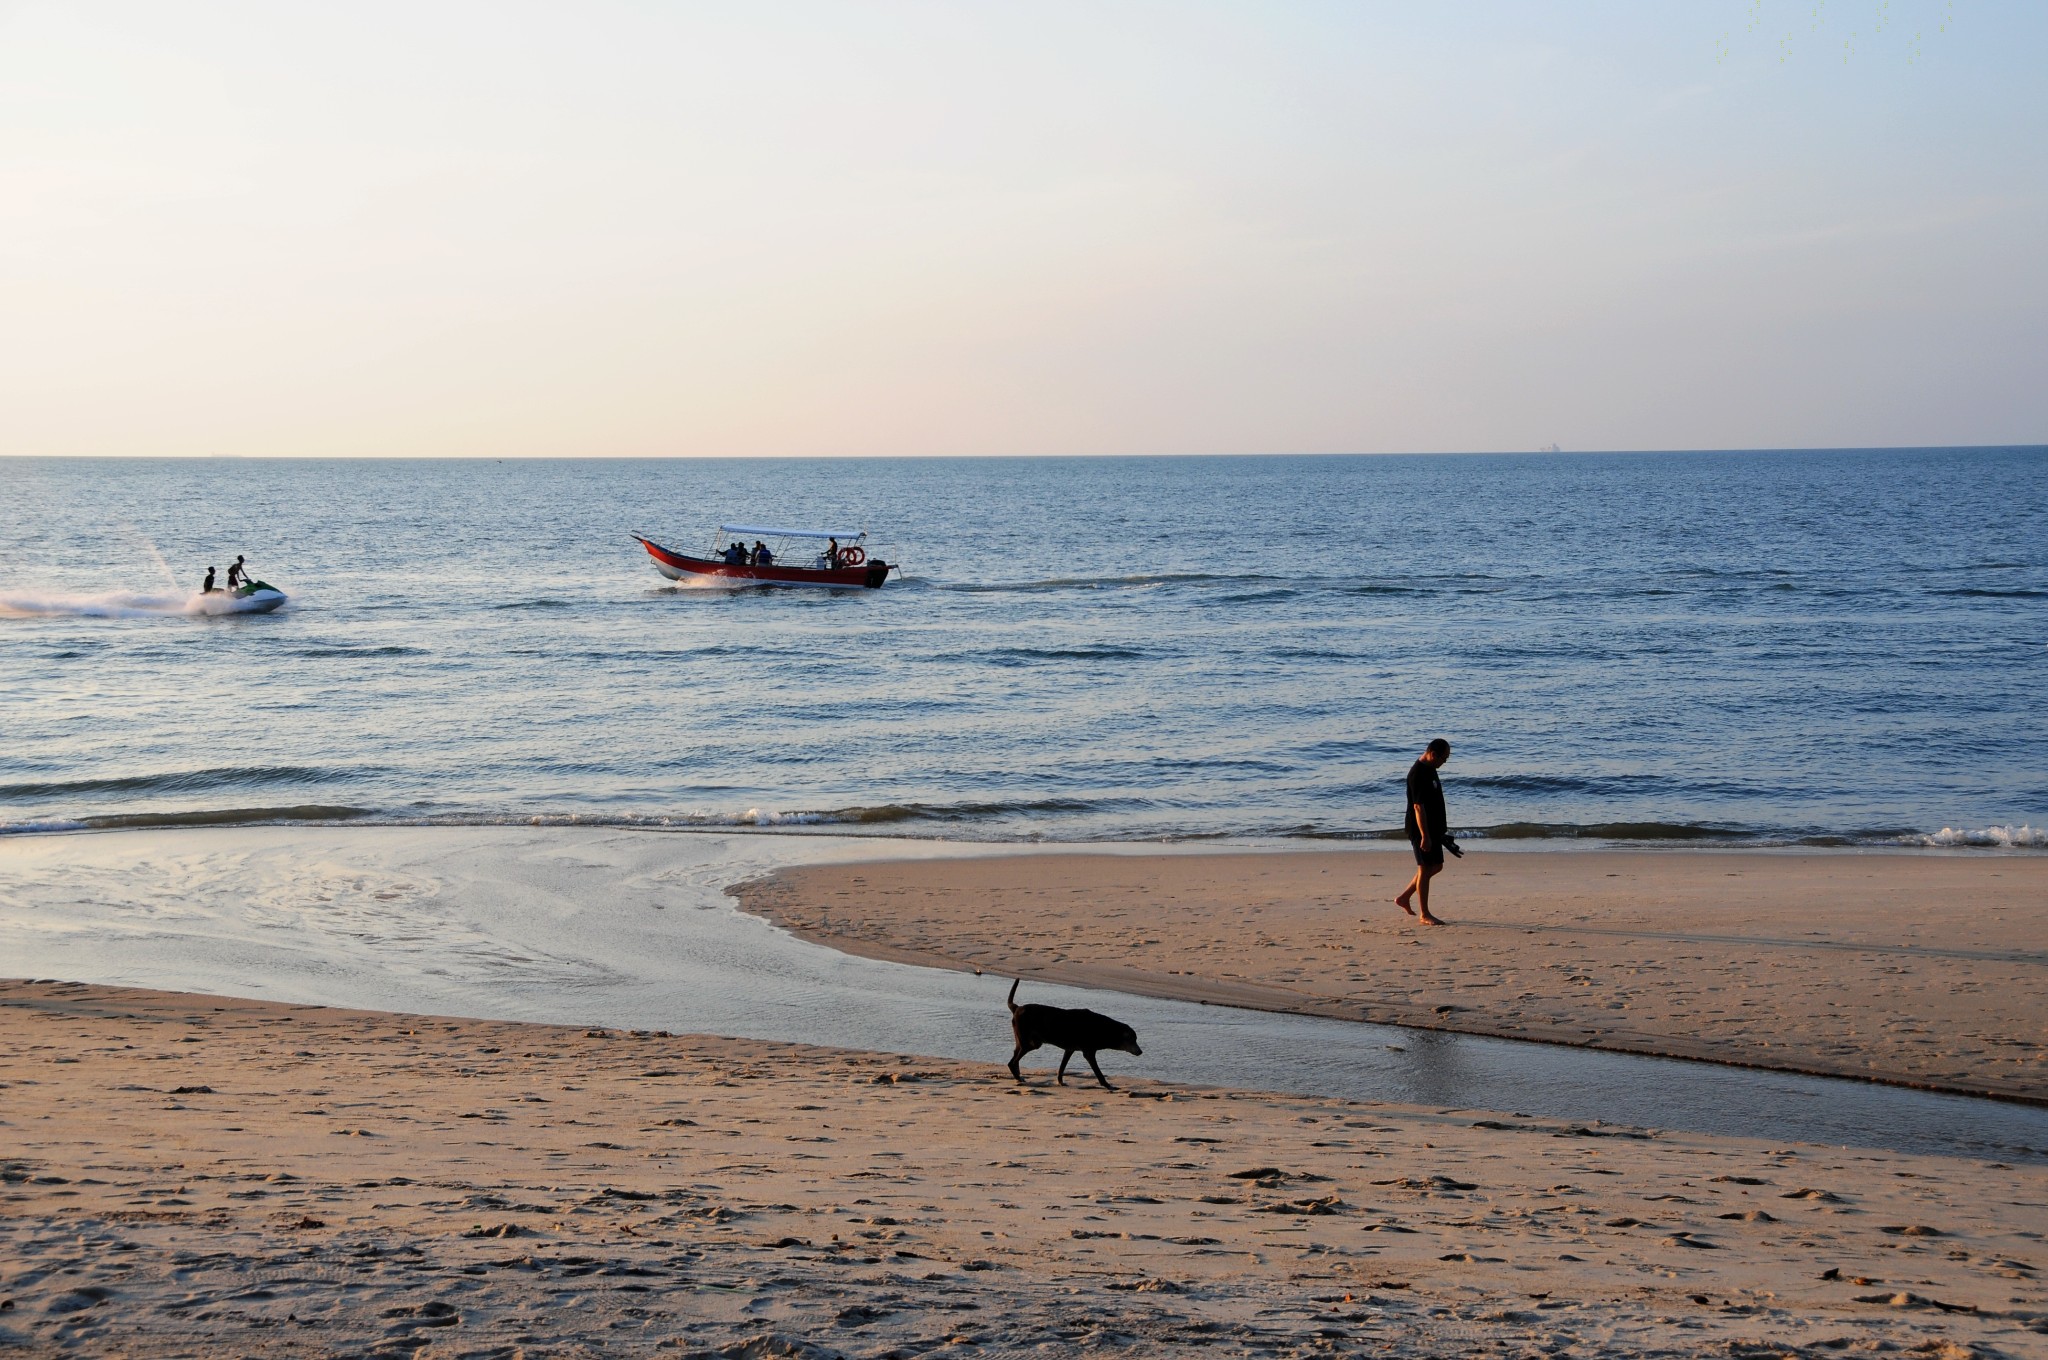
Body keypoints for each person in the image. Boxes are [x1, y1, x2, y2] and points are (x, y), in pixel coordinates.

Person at [1394, 738, 1457, 925]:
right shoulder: (1418, 774)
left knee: (1436, 866)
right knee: (1424, 868)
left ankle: (1404, 897)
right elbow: (1418, 807)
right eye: (1443, 759)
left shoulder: (1431, 769)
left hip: (1433, 828)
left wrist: (1440, 832)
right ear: (1433, 754)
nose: (1444, 763)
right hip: (1420, 829)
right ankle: (1424, 914)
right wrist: (1425, 836)